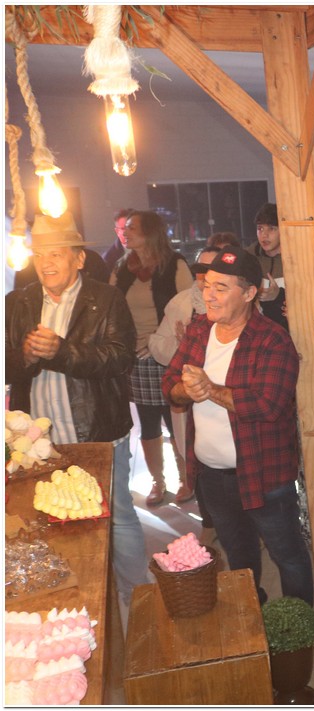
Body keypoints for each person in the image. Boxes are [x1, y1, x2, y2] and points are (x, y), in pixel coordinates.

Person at [6, 212, 149, 607]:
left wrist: (62, 351)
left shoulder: (106, 299)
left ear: (79, 258)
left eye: (56, 254)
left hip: (98, 433)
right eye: (40, 255)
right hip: (39, 443)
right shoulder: (18, 302)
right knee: (52, 519)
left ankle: (137, 598)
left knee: (117, 517)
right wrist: (25, 356)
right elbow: (6, 363)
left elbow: (119, 358)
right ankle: (74, 598)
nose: (46, 263)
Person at [162, 245, 314, 605]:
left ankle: (299, 623)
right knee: (238, 555)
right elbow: (170, 384)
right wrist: (186, 389)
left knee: (287, 554)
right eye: (207, 285)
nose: (209, 295)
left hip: (264, 474)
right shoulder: (199, 331)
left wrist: (210, 389)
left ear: (249, 294)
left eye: (221, 288)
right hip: (212, 475)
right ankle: (251, 616)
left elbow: (268, 405)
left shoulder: (272, 339)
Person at [111, 209, 193, 507]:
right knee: (147, 423)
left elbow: (190, 307)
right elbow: (111, 307)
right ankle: (158, 481)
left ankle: (186, 477)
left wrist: (157, 340)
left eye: (132, 227)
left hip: (168, 352)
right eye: (124, 228)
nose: (125, 232)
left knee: (176, 419)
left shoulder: (174, 264)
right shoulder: (122, 267)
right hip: (135, 355)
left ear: (150, 232)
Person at [148, 245, 222, 507]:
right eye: (201, 270)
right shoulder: (181, 303)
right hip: (191, 403)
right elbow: (157, 345)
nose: (206, 277)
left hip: (226, 405)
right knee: (197, 462)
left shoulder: (238, 303)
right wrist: (182, 344)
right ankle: (206, 517)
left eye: (213, 269)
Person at [251, 202, 288, 329]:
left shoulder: (296, 259)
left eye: (271, 228)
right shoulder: (249, 258)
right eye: (260, 229)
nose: (264, 235)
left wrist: (279, 295)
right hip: (258, 330)